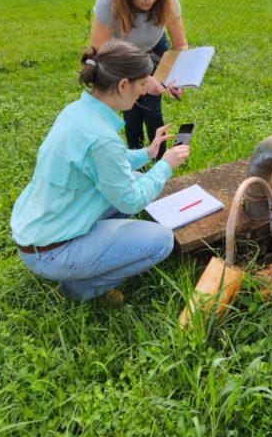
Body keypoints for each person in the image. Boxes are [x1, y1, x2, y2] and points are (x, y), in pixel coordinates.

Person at [10, 39, 190, 302]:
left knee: (137, 178)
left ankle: (90, 254)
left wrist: (149, 153)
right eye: (142, 84)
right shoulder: (100, 138)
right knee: (161, 241)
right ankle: (83, 287)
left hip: (40, 230)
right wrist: (164, 165)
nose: (143, 92)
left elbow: (108, 162)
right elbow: (131, 200)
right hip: (51, 252)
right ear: (123, 85)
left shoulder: (77, 112)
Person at [90, 0, 188, 155]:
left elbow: (180, 45)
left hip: (154, 48)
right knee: (130, 108)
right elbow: (97, 53)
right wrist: (140, 78)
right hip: (119, 56)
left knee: (152, 106)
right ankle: (135, 155)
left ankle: (160, 158)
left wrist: (177, 77)